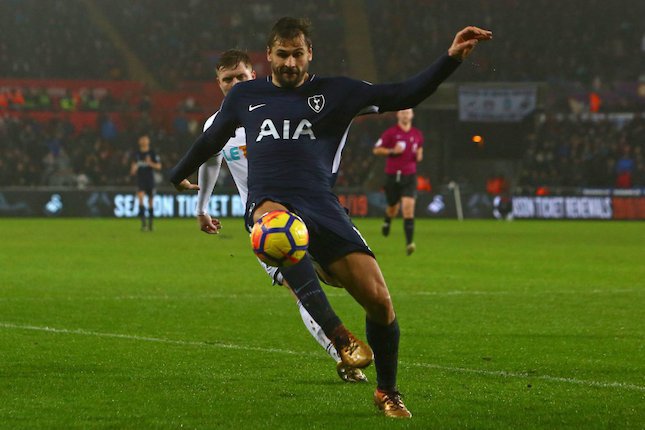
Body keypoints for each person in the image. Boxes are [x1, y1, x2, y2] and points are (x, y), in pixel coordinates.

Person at [170, 17, 492, 418]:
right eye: (282, 54)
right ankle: (339, 336)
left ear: (309, 54)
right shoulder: (245, 97)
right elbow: (208, 141)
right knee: (277, 235)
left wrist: (451, 58)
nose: (289, 62)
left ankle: (387, 392)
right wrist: (175, 175)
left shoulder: (338, 91)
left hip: (322, 206)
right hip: (269, 204)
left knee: (380, 302)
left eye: (297, 54)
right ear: (268, 56)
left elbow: (405, 92)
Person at [181, 49, 366, 383]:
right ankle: (342, 353)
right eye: (227, 79)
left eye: (240, 76)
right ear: (218, 83)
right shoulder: (216, 125)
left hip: (311, 208)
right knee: (299, 289)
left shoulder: (280, 108)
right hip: (265, 223)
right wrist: (201, 208)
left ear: (254, 75)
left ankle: (327, 272)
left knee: (340, 278)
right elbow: (210, 162)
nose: (234, 83)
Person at [372, 108, 423, 255]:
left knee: (408, 208)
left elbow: (419, 151)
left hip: (410, 176)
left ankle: (409, 243)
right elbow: (376, 150)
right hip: (393, 175)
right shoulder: (391, 133)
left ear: (412, 115)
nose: (406, 115)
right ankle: (387, 220)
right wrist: (392, 151)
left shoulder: (417, 134)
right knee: (393, 207)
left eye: (408, 113)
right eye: (403, 113)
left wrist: (418, 155)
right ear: (398, 115)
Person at [130, 133, 161, 231]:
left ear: (148, 141)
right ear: (139, 141)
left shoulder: (152, 153)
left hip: (150, 180)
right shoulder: (136, 154)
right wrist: (134, 169)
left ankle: (151, 225)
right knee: (141, 200)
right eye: (142, 139)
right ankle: (144, 225)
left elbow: (159, 166)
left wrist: (150, 163)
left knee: (151, 202)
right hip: (140, 180)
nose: (143, 141)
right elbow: (132, 169)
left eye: (145, 139)